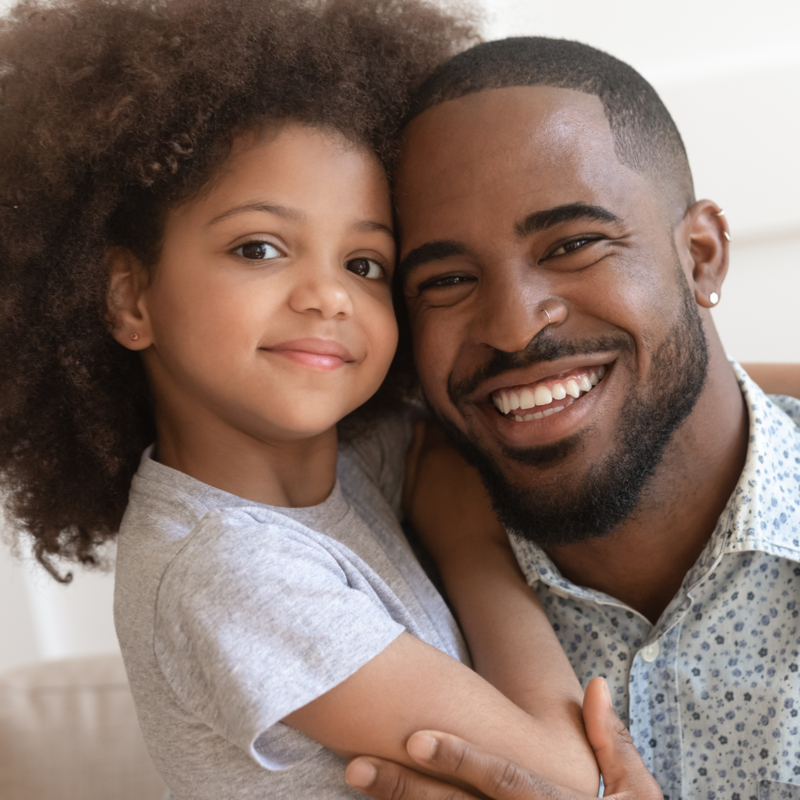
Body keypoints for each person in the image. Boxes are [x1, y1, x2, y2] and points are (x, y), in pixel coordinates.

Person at [0, 4, 607, 798]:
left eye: (365, 263)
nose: (328, 296)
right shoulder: (224, 570)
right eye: (259, 249)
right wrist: (468, 544)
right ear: (130, 299)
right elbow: (561, 780)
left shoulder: (352, 460)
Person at [344, 36, 800, 800]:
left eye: (575, 243)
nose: (516, 326)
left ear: (702, 256)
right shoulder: (369, 612)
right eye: (448, 279)